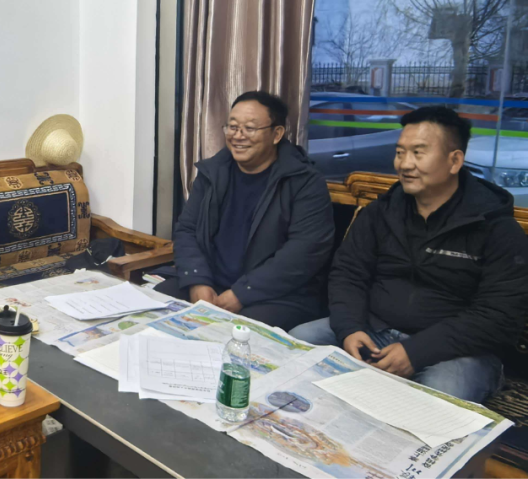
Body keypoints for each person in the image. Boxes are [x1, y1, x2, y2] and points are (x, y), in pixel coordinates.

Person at [290, 106, 528, 403]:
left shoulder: (496, 229)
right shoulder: (380, 212)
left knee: (441, 397)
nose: (404, 164)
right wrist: (350, 328)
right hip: (373, 330)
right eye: (400, 152)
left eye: (418, 153)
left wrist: (416, 352)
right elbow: (348, 273)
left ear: (454, 161)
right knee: (298, 343)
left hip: (456, 352)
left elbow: (498, 316)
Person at [156, 91, 335, 330]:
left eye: (249, 128)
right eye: (232, 127)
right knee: (154, 306)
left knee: (230, 333)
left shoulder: (305, 182)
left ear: (276, 134)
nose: (237, 136)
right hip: (212, 282)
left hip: (277, 295)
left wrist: (242, 293)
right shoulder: (213, 172)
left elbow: (304, 253)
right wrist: (197, 280)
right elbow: (187, 230)